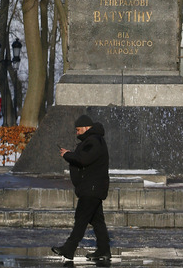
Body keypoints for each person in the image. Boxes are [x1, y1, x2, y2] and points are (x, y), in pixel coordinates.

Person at [52, 114, 110, 265]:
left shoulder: (94, 141)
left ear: (85, 127)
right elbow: (84, 157)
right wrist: (71, 154)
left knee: (81, 219)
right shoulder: (94, 140)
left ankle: (69, 249)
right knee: (97, 221)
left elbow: (83, 159)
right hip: (93, 188)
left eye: (78, 130)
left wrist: (68, 155)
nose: (77, 133)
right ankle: (104, 251)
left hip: (91, 188)